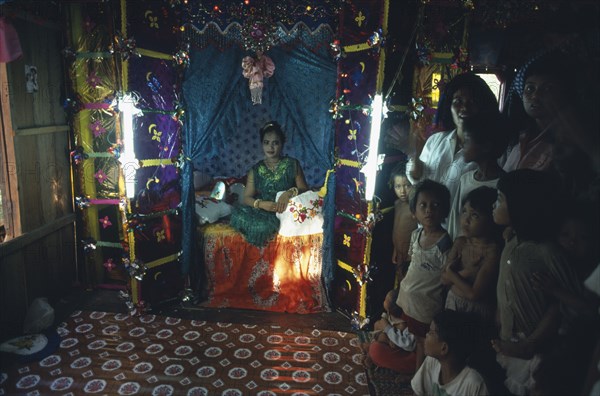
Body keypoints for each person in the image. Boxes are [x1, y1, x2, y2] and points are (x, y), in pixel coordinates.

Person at [490, 169, 582, 395]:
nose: (494, 204)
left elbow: (570, 305)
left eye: (500, 199)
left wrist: (532, 342)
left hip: (535, 351)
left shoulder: (547, 252)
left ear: (520, 206)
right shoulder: (511, 239)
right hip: (507, 341)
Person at [407, 73, 500, 204]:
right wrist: (414, 154)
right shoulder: (435, 141)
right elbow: (418, 182)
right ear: (449, 106)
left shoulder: (489, 148)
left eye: (472, 102)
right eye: (458, 101)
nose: (464, 108)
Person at [396, 179, 452, 369]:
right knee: (412, 339)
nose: (429, 210)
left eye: (435, 206)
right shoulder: (416, 235)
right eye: (423, 205)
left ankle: (417, 381)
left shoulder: (444, 243)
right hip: (409, 301)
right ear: (414, 212)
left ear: (444, 211)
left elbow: (446, 280)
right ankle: (412, 370)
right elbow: (413, 264)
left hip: (427, 307)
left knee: (423, 343)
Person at [230, 121, 308, 246]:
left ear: (282, 144)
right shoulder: (256, 169)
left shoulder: (292, 164)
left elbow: (304, 189)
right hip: (263, 209)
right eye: (266, 143)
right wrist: (260, 204)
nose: (270, 148)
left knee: (266, 226)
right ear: (262, 144)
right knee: (238, 216)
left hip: (286, 210)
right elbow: (247, 198)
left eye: (275, 143)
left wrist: (289, 193)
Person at [441, 187, 502, 323]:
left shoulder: (492, 252)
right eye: (464, 212)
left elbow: (474, 294)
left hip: (477, 312)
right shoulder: (460, 243)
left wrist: (452, 275)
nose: (465, 220)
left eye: (474, 215)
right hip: (452, 304)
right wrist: (467, 272)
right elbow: (443, 279)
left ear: (491, 218)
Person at [447, 114, 508, 240]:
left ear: (486, 146)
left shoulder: (505, 184)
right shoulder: (465, 179)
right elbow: (455, 218)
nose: (461, 145)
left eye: (467, 140)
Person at [411, 310, 490, 396]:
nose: (426, 334)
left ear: (444, 348)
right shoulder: (432, 362)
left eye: (431, 332)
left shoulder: (474, 384)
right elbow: (417, 393)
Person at [363, 289, 416, 373]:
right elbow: (382, 324)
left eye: (385, 300)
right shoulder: (389, 314)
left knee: (376, 348)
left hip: (400, 351)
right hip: (389, 341)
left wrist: (387, 332)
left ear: (391, 307)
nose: (384, 300)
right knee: (377, 324)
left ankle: (371, 354)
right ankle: (371, 349)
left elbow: (405, 344)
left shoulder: (403, 324)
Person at [389, 162, 418, 284]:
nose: (402, 191)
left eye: (407, 186)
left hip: (410, 257)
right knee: (399, 282)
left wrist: (412, 255)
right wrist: (396, 249)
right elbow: (397, 229)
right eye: (398, 186)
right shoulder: (397, 204)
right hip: (399, 254)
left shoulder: (415, 209)